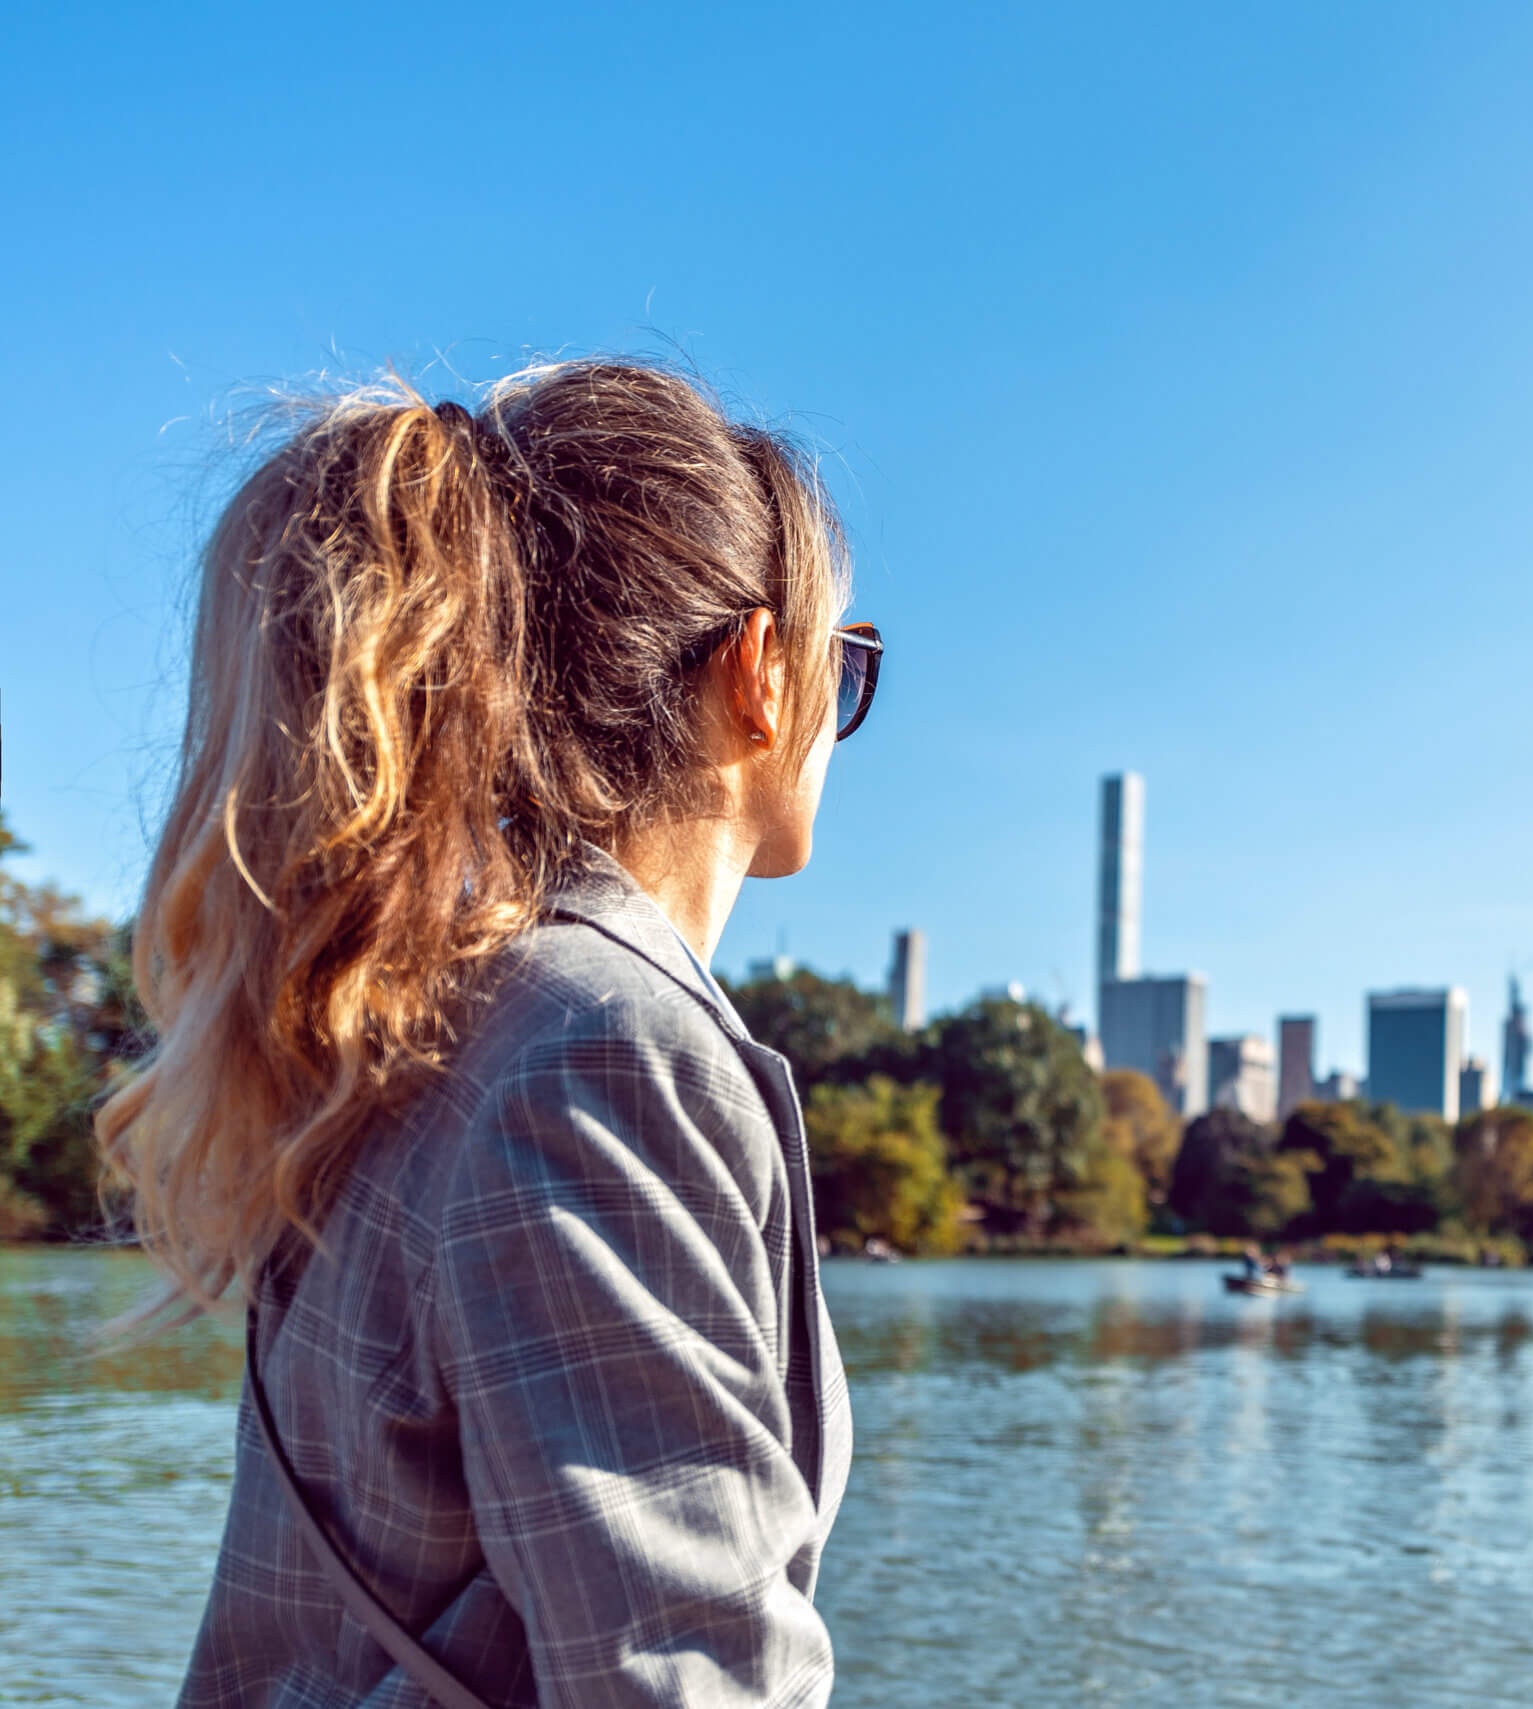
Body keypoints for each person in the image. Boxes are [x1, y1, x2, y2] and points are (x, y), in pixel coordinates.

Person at [99, 361, 870, 1707]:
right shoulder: (599, 1048)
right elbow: (688, 1680)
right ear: (760, 671)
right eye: (845, 665)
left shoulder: (403, 1015)